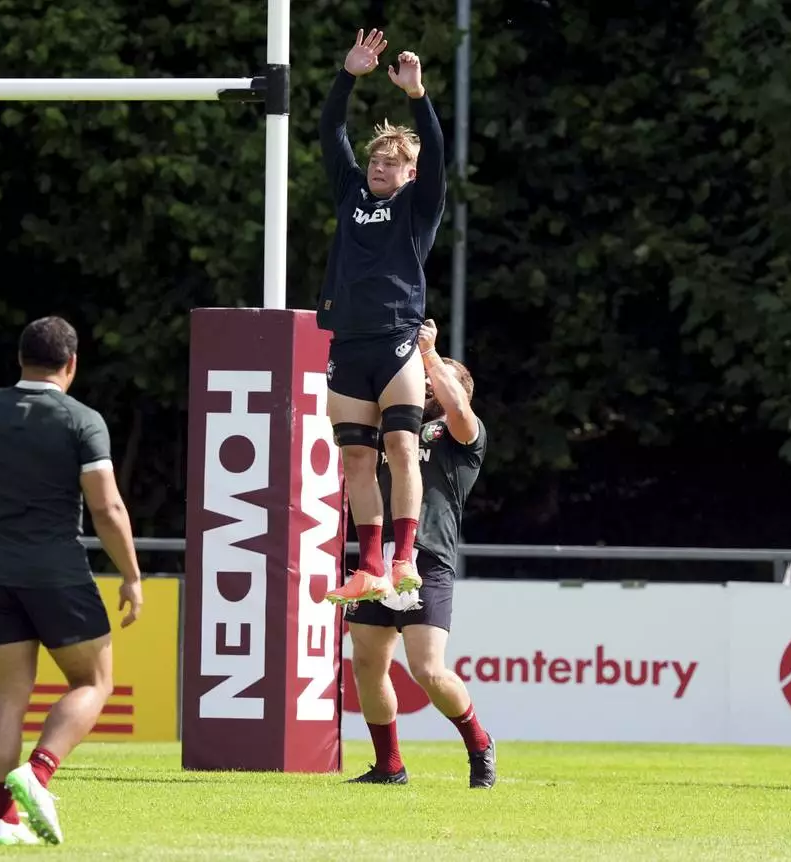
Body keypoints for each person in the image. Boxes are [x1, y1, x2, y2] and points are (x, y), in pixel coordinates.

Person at [0, 316, 144, 846]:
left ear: (20, 360)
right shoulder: (81, 420)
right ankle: (40, 772)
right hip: (58, 572)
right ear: (71, 364)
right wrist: (131, 575)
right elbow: (107, 506)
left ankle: (4, 820)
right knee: (94, 683)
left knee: (8, 696)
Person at [316, 28, 447, 607]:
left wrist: (417, 94)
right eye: (375, 159)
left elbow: (438, 154)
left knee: (400, 448)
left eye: (391, 162)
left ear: (409, 174)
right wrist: (349, 74)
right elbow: (329, 130)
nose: (378, 166)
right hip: (349, 343)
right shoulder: (350, 195)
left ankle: (403, 558)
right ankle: (368, 567)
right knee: (356, 459)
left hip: (397, 341)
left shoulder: (418, 208)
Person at [344, 318, 496, 789]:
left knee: (428, 670)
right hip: (379, 558)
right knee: (366, 662)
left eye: (435, 377)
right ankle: (389, 766)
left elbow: (456, 406)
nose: (426, 382)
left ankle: (479, 744)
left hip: (426, 558)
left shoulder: (460, 437)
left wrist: (430, 352)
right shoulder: (398, 428)